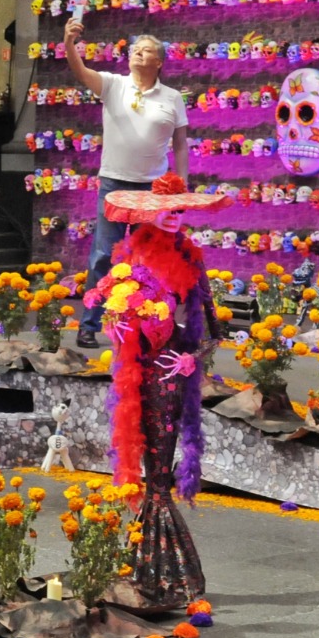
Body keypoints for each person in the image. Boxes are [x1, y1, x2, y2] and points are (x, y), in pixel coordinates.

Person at [84, 172, 229, 608]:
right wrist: (117, 323)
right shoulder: (128, 258)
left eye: (180, 211)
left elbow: (212, 328)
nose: (174, 218)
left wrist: (193, 360)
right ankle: (146, 567)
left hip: (169, 375)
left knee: (160, 476)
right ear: (149, 213)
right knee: (142, 467)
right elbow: (112, 315)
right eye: (167, 210)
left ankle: (171, 573)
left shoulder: (191, 259)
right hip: (136, 372)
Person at [63, 19, 188, 350]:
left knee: (152, 259)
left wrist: (182, 185)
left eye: (146, 50)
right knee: (104, 255)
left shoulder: (173, 98)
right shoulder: (113, 85)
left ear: (158, 61)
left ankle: (152, 326)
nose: (137, 53)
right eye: (135, 49)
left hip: (154, 188)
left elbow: (180, 144)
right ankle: (89, 324)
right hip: (115, 184)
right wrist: (68, 43)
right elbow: (80, 71)